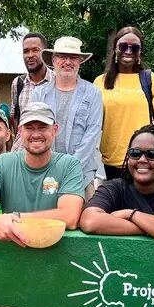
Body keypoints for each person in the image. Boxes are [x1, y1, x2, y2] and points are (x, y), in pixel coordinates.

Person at [0, 102, 84, 246]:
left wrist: (12, 218)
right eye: (29, 128)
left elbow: (69, 217)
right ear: (20, 131)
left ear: (54, 130)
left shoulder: (69, 164)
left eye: (43, 127)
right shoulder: (3, 163)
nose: (36, 134)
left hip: (56, 252)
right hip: (13, 251)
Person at [95, 26, 154, 180]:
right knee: (117, 204)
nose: (128, 51)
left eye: (134, 48)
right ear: (115, 49)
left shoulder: (151, 81)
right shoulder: (100, 82)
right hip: (112, 161)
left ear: (140, 52)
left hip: (144, 161)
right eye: (123, 46)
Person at [31, 36, 102, 197]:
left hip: (82, 174)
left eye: (73, 57)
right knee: (47, 219)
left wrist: (69, 167)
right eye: (62, 56)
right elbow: (34, 133)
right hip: (45, 173)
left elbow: (92, 134)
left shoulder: (93, 93)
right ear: (54, 60)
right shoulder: (39, 94)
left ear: (80, 61)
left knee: (82, 221)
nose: (68, 61)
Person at [11, 32, 56, 151]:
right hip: (20, 152)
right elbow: (15, 116)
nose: (30, 55)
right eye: (26, 51)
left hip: (48, 155)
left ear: (45, 53)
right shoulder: (18, 83)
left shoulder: (57, 82)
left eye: (35, 50)